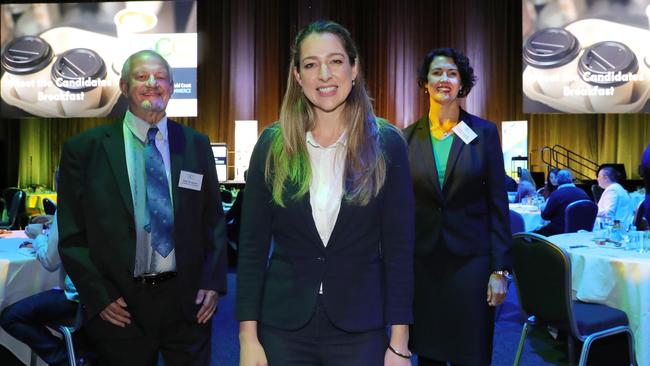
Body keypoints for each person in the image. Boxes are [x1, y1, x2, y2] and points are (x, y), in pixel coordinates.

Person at [236, 20, 414, 366]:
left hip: (360, 327)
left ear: (354, 68)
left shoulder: (388, 145)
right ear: (298, 77)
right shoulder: (272, 146)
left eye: (335, 61)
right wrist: (247, 337)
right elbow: (252, 248)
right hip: (283, 328)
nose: (324, 74)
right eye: (311, 64)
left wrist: (399, 344)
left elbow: (399, 250)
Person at [57, 50, 228, 366]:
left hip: (188, 301)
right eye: (142, 76)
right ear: (123, 86)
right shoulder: (84, 151)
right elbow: (72, 236)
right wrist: (100, 296)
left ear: (173, 87)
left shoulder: (196, 144)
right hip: (121, 305)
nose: (153, 83)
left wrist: (213, 283)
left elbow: (213, 222)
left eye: (161, 77)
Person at [403, 47, 511, 366]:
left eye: (452, 73)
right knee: (430, 355)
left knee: (472, 354)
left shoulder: (484, 133)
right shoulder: (407, 138)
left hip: (472, 265)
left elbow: (498, 204)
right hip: (424, 266)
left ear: (461, 83)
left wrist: (500, 269)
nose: (444, 79)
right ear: (425, 82)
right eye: (437, 73)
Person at [0, 214, 90, 366]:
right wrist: (51, 220)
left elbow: (50, 261)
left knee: (11, 317)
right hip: (98, 293)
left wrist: (38, 237)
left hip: (77, 297)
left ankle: (69, 361)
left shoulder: (67, 205)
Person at [534, 169, 590, 236]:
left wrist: (542, 208)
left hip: (559, 232)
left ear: (558, 180)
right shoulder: (583, 193)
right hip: (582, 232)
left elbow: (545, 216)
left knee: (529, 236)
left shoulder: (556, 194)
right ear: (571, 179)